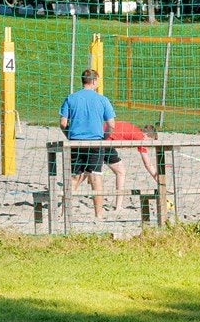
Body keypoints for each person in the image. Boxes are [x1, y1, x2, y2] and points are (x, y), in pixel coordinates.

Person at [59, 68, 115, 220]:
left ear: (82, 81)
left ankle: (64, 213)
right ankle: (98, 215)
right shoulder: (102, 100)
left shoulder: (71, 98)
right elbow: (111, 125)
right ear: (95, 81)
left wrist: (70, 136)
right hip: (95, 143)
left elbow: (63, 123)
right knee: (96, 178)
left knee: (74, 178)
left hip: (75, 143)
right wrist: (105, 137)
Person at [106, 119, 159, 208]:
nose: (149, 145)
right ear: (146, 135)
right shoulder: (140, 138)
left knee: (87, 170)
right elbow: (147, 164)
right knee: (121, 172)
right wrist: (159, 180)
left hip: (99, 136)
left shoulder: (135, 130)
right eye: (150, 142)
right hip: (105, 141)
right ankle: (118, 207)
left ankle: (73, 189)